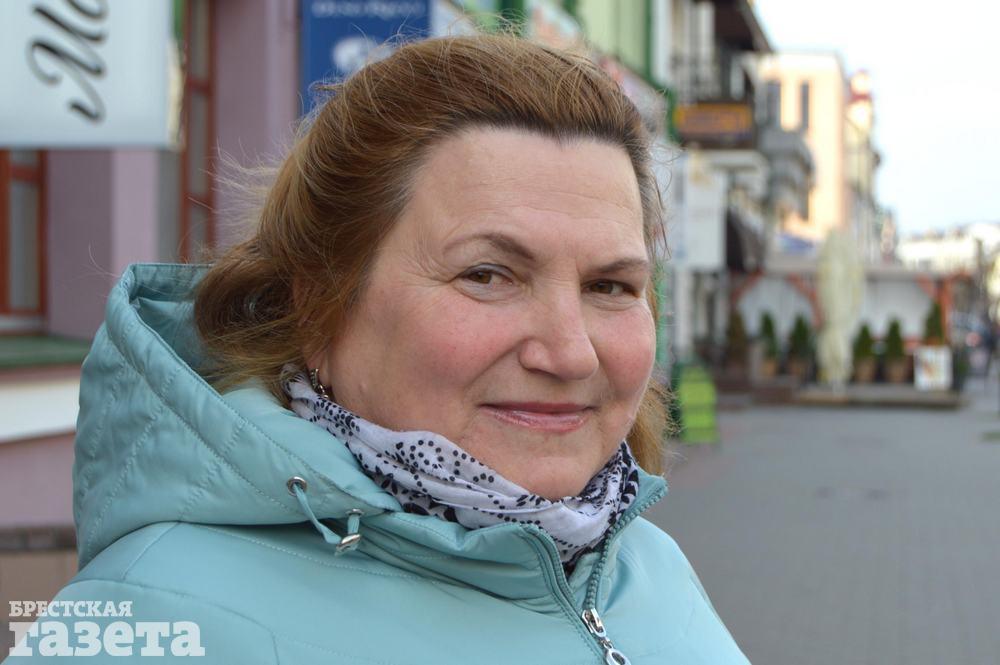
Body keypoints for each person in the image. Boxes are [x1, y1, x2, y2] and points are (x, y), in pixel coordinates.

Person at [8, 34, 749, 663]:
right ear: (318, 308)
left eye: (611, 285)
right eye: (487, 274)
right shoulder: (146, 625)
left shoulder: (645, 567)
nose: (571, 353)